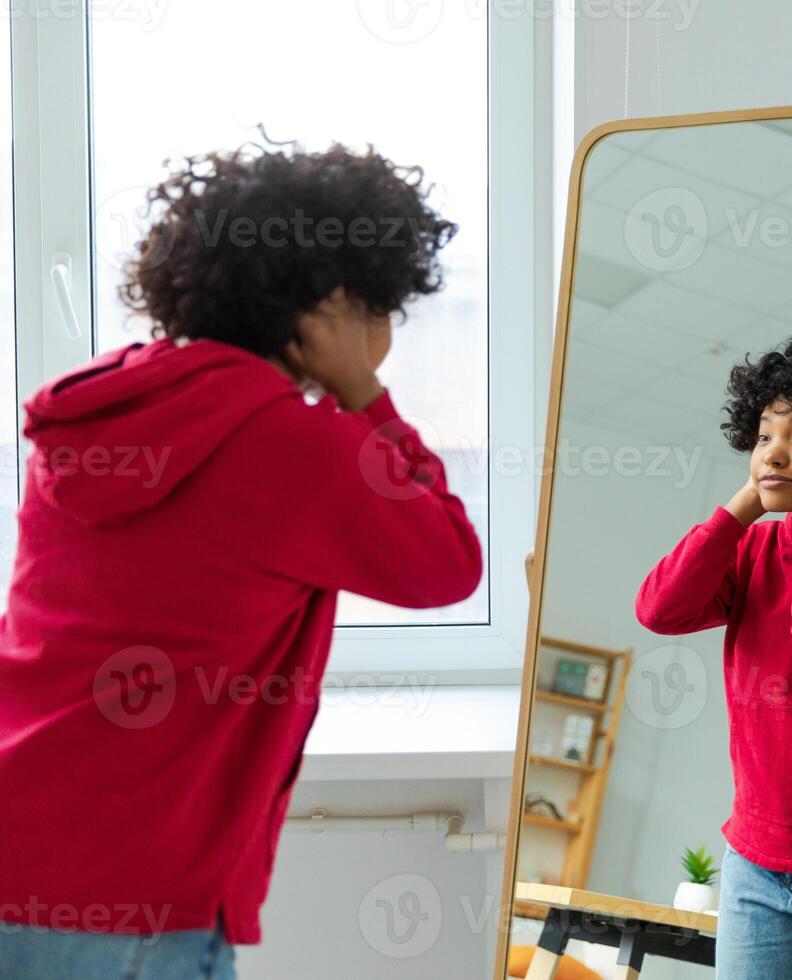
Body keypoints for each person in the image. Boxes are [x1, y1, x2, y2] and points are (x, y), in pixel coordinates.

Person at [0, 138, 482, 978]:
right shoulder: (293, 445)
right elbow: (445, 563)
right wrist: (365, 396)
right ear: (330, 306)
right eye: (379, 310)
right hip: (131, 895)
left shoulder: (94, 409)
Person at [634, 337, 792, 980]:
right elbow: (660, 610)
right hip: (755, 867)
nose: (773, 453)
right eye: (762, 436)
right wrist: (744, 505)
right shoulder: (753, 552)